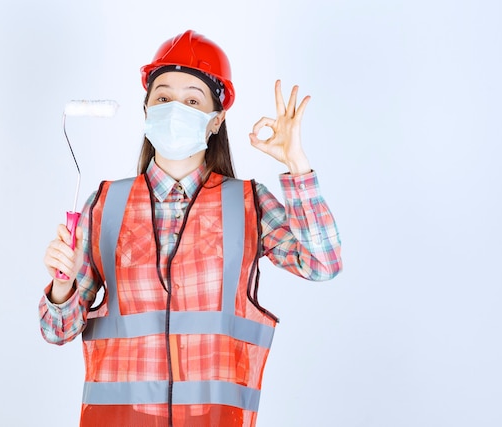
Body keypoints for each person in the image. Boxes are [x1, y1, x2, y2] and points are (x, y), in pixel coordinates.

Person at [39, 29, 342, 427]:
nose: (174, 108)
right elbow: (57, 330)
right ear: (146, 111)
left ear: (215, 120)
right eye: (162, 98)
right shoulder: (106, 204)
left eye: (192, 100)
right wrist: (61, 288)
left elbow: (323, 263)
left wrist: (296, 163)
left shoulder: (248, 203)